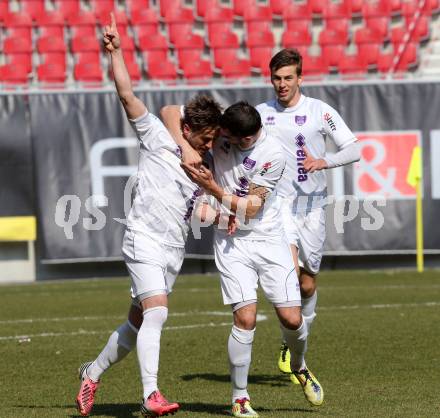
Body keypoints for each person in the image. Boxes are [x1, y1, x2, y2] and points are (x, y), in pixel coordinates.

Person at [75, 14, 222, 417]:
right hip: (142, 238)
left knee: (137, 324)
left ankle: (91, 372)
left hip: (172, 248)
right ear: (189, 129)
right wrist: (117, 53)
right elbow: (127, 95)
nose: (210, 145)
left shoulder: (205, 164)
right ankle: (151, 394)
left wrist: (217, 213)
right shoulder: (158, 134)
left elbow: (198, 208)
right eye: (206, 138)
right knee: (158, 311)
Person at [162, 102, 323, 417]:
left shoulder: (273, 154)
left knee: (291, 318)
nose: (221, 140)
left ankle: (299, 365)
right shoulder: (225, 122)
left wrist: (212, 188)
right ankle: (239, 398)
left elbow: (251, 208)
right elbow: (169, 111)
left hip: (268, 237)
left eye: (229, 138)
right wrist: (185, 148)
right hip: (232, 241)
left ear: (246, 138)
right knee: (245, 318)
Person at [256, 48, 360, 385]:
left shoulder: (320, 111)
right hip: (278, 207)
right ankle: (290, 332)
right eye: (276, 78)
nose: (282, 84)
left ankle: (296, 344)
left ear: (300, 78)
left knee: (306, 282)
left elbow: (353, 149)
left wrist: (323, 161)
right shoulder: (262, 113)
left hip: (312, 208)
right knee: (287, 273)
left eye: (288, 78)